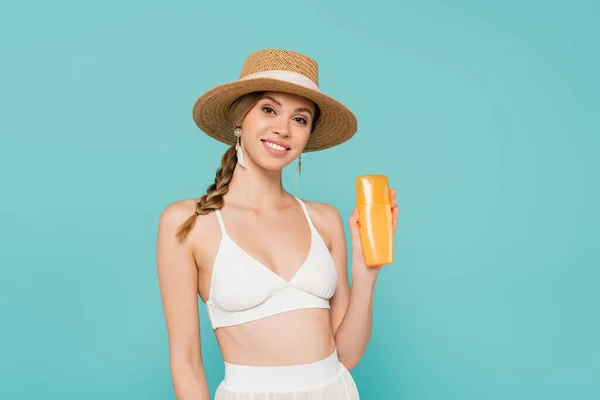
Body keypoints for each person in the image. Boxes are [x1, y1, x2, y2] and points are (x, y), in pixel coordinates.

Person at [156, 49, 399, 399]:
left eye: (300, 119)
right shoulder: (189, 222)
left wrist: (366, 273)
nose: (283, 129)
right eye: (269, 109)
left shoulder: (324, 220)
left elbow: (347, 355)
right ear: (240, 120)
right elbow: (186, 360)